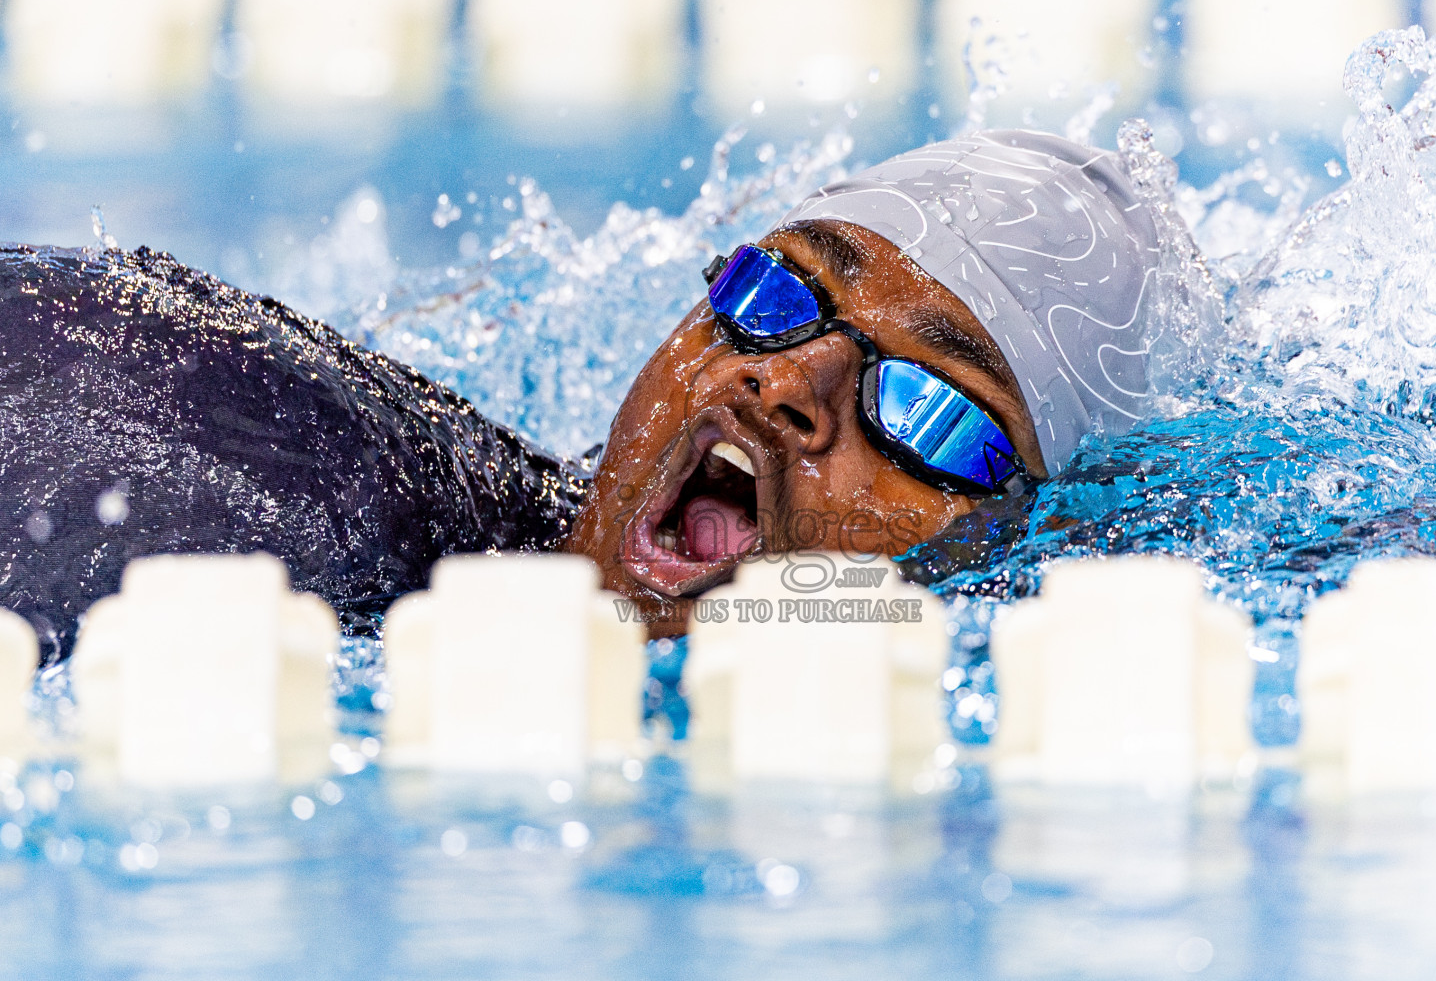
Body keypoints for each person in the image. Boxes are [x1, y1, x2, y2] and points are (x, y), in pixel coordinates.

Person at [0, 130, 1161, 660]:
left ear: (1015, 549)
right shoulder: (227, 478)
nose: (789, 382)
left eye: (929, 408)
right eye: (777, 292)